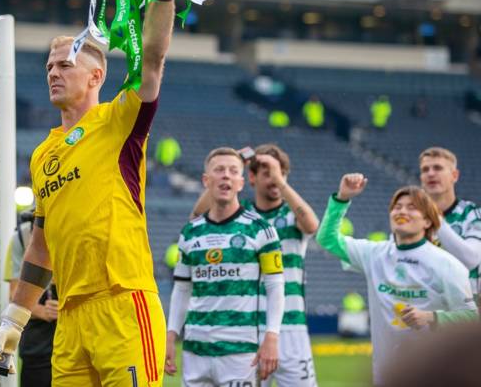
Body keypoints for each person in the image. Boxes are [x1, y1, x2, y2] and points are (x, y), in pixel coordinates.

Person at [0, 0, 197, 386]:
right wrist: (14, 320)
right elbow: (41, 245)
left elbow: (155, 58)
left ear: (97, 74)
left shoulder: (119, 119)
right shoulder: (43, 154)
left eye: (65, 64)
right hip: (71, 317)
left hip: (123, 302)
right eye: (49, 67)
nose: (53, 73)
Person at [316, 175, 478, 385]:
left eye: (412, 208)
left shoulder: (446, 264)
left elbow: (471, 319)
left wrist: (432, 317)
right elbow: (326, 239)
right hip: (386, 376)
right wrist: (342, 198)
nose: (402, 211)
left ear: (428, 221)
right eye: (397, 207)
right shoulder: (374, 254)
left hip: (433, 376)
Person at [166, 147, 285, 386]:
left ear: (241, 183)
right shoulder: (190, 232)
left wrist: (272, 336)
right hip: (195, 351)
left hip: (240, 352)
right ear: (206, 181)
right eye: (219, 170)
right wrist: (171, 336)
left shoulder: (261, 229)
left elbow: (275, 286)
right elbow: (182, 289)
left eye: (233, 171)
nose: (226, 176)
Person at [241, 145, 321, 386]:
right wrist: (234, 160)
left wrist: (279, 178)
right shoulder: (241, 216)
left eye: (281, 173)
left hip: (291, 328)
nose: (275, 180)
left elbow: (312, 226)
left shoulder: (292, 214)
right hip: (248, 327)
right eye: (268, 174)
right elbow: (198, 216)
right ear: (252, 177)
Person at [3, 208, 57, 387]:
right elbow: (15, 294)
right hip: (38, 343)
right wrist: (43, 311)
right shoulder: (22, 236)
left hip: (78, 331)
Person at [418, 147, 481, 297]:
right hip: (423, 309)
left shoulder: (473, 214)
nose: (431, 173)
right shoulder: (413, 218)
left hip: (464, 312)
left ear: (454, 175)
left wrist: (434, 218)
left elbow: (471, 259)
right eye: (425, 170)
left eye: (438, 168)